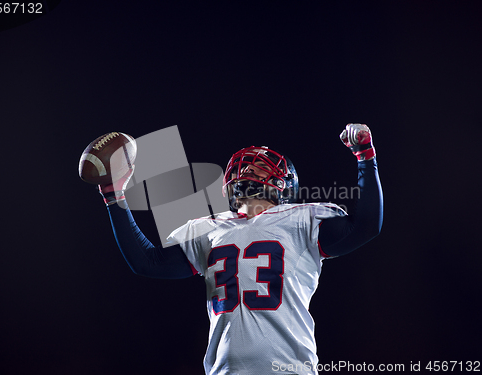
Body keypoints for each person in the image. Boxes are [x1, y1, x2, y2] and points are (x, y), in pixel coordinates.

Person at [95, 124, 383, 375]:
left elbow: (366, 226)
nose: (247, 168)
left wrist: (365, 157)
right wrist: (114, 194)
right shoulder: (208, 229)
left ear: (284, 183)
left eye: (258, 165)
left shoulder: (301, 219)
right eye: (245, 165)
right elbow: (147, 262)